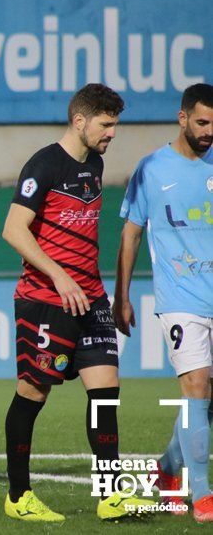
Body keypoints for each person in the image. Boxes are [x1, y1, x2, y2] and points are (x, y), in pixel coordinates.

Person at [1, 83, 154, 521]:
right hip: (46, 300)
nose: (112, 133)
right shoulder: (44, 164)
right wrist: (59, 274)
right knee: (32, 393)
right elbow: (13, 230)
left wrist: (115, 297)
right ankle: (17, 497)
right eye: (106, 125)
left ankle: (111, 495)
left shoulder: (96, 164)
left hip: (92, 298)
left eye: (115, 125)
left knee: (106, 393)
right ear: (79, 120)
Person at [114, 83, 213, 523]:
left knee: (207, 403)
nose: (209, 131)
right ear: (182, 118)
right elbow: (131, 232)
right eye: (202, 122)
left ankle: (167, 470)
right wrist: (122, 295)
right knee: (195, 387)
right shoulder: (152, 168)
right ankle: (203, 493)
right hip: (179, 299)